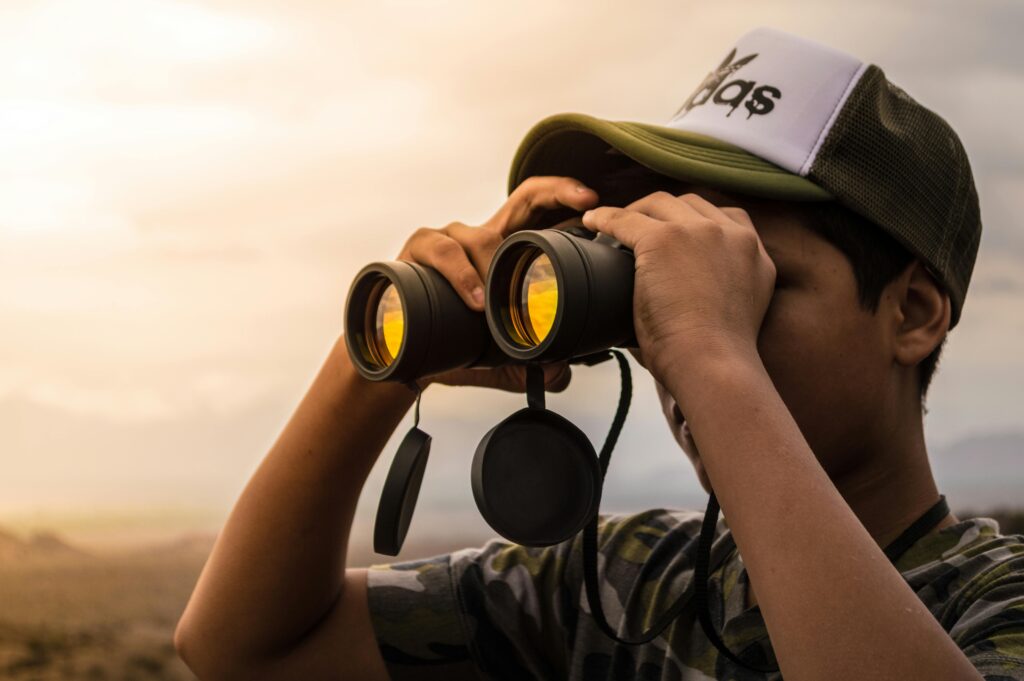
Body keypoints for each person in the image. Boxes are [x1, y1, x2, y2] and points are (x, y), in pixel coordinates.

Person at [173, 27, 1024, 681]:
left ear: (912, 311)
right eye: (656, 272)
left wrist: (710, 352)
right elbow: (244, 646)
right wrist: (391, 352)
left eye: (744, 272)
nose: (670, 324)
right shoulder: (626, 587)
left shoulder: (993, 604)